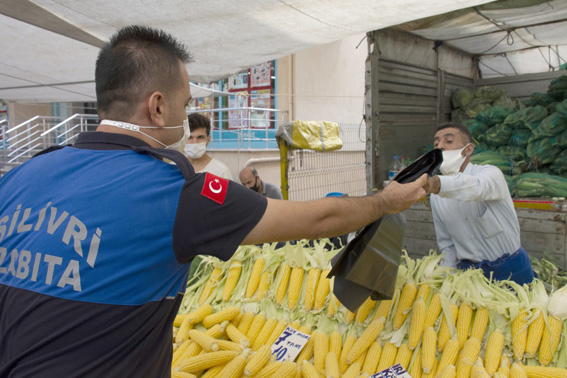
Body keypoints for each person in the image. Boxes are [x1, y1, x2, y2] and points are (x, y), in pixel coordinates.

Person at [0, 25, 427, 378]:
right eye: (186, 106)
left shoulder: (21, 175)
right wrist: (384, 202)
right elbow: (318, 219)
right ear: (158, 106)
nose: (188, 122)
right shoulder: (174, 189)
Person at [427, 122, 535, 285]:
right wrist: (444, 279)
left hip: (510, 269)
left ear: (468, 149)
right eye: (436, 144)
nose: (440, 146)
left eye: (448, 141)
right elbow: (447, 245)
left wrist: (435, 184)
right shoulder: (436, 197)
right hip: (469, 275)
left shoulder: (490, 174)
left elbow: (476, 188)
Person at [185, 113, 232, 179]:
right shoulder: (175, 169)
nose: (195, 142)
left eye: (200, 137)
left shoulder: (221, 172)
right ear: (183, 139)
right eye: (190, 137)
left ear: (208, 140)